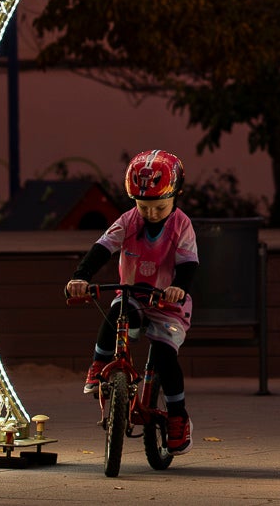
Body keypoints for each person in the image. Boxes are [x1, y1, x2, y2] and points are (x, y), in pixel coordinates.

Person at [66, 149, 200, 453]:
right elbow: (102, 247)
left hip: (169, 304)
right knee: (115, 314)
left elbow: (189, 263)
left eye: (159, 207)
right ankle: (100, 362)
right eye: (144, 206)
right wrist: (80, 276)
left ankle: (178, 416)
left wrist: (178, 287)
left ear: (175, 197)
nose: (151, 213)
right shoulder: (127, 221)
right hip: (134, 296)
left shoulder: (181, 225)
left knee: (166, 357)